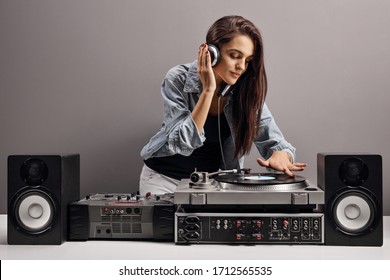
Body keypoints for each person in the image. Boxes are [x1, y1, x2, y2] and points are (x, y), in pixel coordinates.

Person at [139, 15, 307, 195]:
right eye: (235, 56)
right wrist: (208, 91)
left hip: (212, 185)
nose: (241, 67)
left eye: (248, 60)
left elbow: (277, 143)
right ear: (212, 52)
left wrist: (282, 155)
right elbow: (182, 142)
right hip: (163, 179)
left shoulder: (245, 91)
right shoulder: (178, 78)